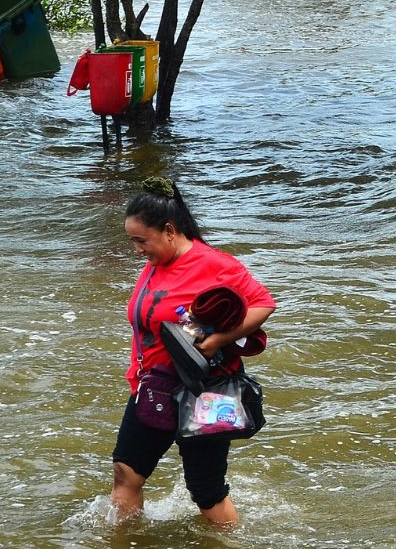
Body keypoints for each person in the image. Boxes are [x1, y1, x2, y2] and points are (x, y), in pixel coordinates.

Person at [111, 177, 275, 527]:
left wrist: (217, 341)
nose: (138, 250)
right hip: (152, 387)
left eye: (142, 241)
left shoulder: (215, 264)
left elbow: (263, 304)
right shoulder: (156, 265)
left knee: (206, 490)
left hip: (207, 389)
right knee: (127, 473)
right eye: (132, 242)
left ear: (169, 230)